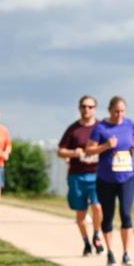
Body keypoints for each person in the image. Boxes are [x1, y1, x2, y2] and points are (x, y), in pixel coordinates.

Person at [85, 96, 134, 266]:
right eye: (116, 111)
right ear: (109, 110)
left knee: (126, 214)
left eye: (122, 111)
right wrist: (106, 146)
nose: (119, 114)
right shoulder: (100, 127)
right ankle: (110, 253)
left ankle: (126, 254)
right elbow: (88, 149)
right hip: (106, 179)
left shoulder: (130, 124)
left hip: (127, 177)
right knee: (108, 217)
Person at [57, 95, 105, 256]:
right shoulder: (73, 129)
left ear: (95, 109)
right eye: (84, 106)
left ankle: (97, 234)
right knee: (81, 212)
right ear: (79, 108)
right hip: (77, 175)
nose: (87, 109)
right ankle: (86, 243)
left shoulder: (101, 127)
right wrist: (74, 152)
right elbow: (60, 151)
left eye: (90, 107)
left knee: (98, 207)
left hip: (98, 174)